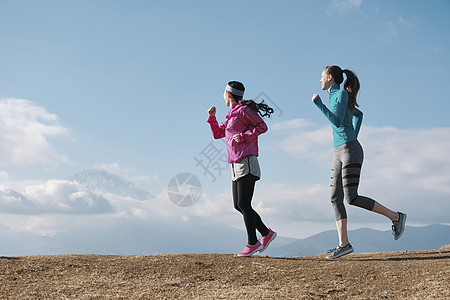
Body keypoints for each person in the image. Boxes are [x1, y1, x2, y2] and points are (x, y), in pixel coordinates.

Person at [312, 66, 407, 259]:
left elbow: (338, 122)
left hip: (349, 151)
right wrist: (351, 137)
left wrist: (318, 104)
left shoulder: (339, 95)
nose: (319, 80)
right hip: (340, 150)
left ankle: (396, 217)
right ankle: (344, 244)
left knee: (351, 197)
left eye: (321, 77)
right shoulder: (338, 95)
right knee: (334, 197)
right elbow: (358, 116)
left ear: (330, 78)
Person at [207, 81, 277, 257]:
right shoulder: (231, 115)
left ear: (229, 94)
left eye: (224, 92)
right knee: (238, 205)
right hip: (235, 164)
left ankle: (253, 243)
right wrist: (212, 118)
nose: (223, 95)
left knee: (244, 204)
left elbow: (262, 126)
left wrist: (244, 137)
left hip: (247, 161)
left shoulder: (243, 111)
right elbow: (218, 134)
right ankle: (266, 233)